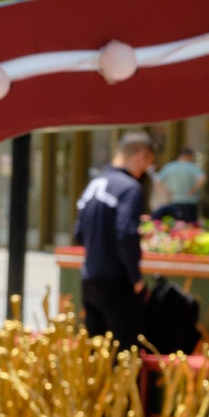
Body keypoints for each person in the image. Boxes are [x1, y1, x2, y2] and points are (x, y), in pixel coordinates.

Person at [76, 130, 156, 347]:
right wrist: (136, 278)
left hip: (90, 279)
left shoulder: (94, 184)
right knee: (125, 354)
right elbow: (125, 233)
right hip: (117, 281)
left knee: (97, 353)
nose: (143, 173)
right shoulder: (130, 188)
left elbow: (79, 233)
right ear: (140, 156)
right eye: (147, 165)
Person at [152, 144, 205, 223]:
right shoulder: (192, 167)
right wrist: (194, 189)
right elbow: (202, 178)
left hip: (174, 200)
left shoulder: (170, 166)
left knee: (176, 226)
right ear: (189, 156)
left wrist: (165, 193)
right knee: (190, 226)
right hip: (190, 202)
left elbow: (157, 181)